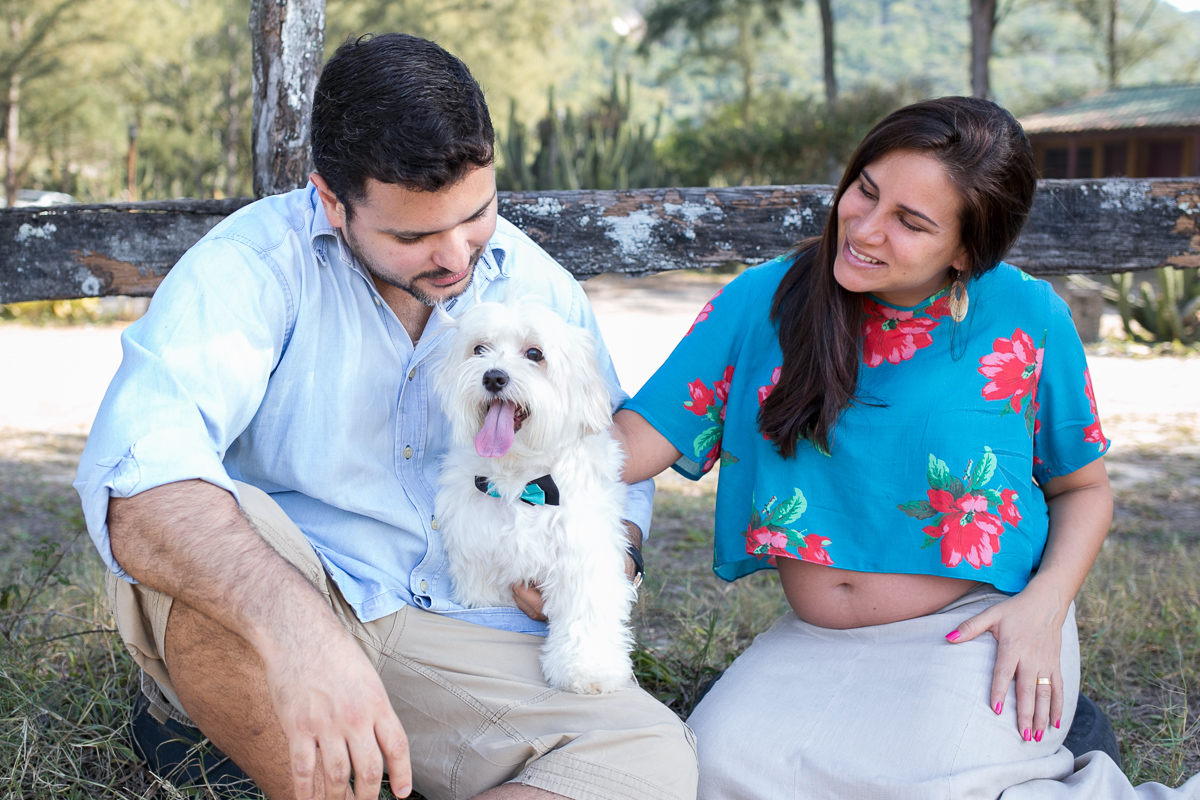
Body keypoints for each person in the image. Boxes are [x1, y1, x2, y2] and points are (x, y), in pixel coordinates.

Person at [74, 33, 697, 800]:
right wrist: (307, 638)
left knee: (651, 758)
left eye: (477, 215)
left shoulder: (537, 282)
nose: (458, 257)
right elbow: (140, 477)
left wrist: (617, 553)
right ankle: (271, 736)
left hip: (459, 622)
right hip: (296, 598)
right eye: (412, 236)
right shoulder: (252, 267)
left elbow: (604, 451)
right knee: (192, 528)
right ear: (332, 201)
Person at [612, 96, 1200, 798]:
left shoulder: (1026, 316)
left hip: (979, 625)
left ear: (965, 252)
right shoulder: (765, 300)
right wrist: (516, 443)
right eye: (865, 190)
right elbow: (637, 441)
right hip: (817, 644)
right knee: (706, 775)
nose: (863, 228)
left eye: (910, 222)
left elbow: (1083, 487)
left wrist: (1044, 606)